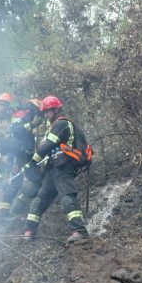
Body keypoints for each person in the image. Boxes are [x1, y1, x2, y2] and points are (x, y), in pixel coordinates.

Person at [23, 95, 91, 244]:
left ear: (56, 110)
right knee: (41, 197)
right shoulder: (54, 125)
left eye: (48, 111)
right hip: (53, 167)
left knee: (67, 195)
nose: (46, 115)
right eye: (45, 112)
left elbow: (47, 145)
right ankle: (29, 231)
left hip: (63, 165)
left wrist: (33, 162)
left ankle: (79, 231)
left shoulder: (62, 123)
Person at [0, 98, 44, 218]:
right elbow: (16, 130)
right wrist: (32, 124)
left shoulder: (27, 113)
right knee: (15, 181)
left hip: (25, 154)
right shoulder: (23, 113)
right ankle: (3, 213)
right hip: (18, 154)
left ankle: (18, 206)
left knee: (36, 179)